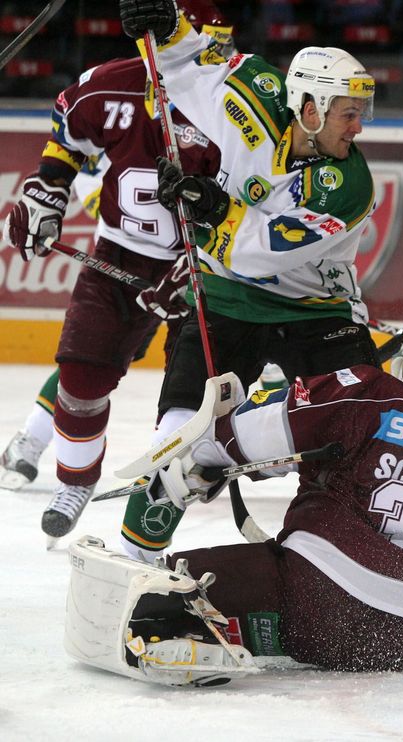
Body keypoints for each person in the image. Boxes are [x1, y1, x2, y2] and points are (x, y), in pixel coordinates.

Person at [63, 325, 403, 686]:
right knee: (292, 598)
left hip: (314, 595)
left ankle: (200, 619)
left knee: (151, 600)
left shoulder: (370, 391)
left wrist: (198, 462)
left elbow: (257, 431)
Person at [116, 0, 382, 558]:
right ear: (308, 106)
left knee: (362, 444)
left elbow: (259, 254)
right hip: (228, 300)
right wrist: (166, 29)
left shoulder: (349, 183)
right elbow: (194, 69)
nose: (358, 127)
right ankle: (134, 559)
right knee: (178, 436)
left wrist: (209, 208)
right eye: (348, 113)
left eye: (361, 113)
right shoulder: (255, 95)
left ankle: (351, 560)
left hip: (318, 314)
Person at [0, 1, 231, 538]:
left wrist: (211, 256)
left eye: (222, 42)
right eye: (209, 41)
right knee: (82, 373)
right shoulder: (110, 86)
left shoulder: (235, 100)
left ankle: (154, 507)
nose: (217, 55)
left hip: (207, 268)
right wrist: (45, 191)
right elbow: (68, 141)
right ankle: (73, 478)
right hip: (118, 258)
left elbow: (257, 192)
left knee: (194, 399)